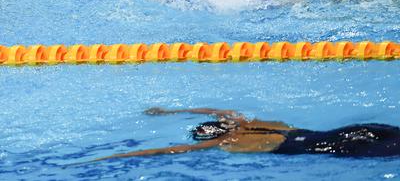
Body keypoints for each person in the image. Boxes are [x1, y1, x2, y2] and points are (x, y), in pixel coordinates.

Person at [94, 107, 400, 161]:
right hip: (344, 131)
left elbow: (171, 152)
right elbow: (217, 110)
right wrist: (169, 112)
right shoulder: (242, 123)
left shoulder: (227, 141)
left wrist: (121, 155)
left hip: (330, 146)